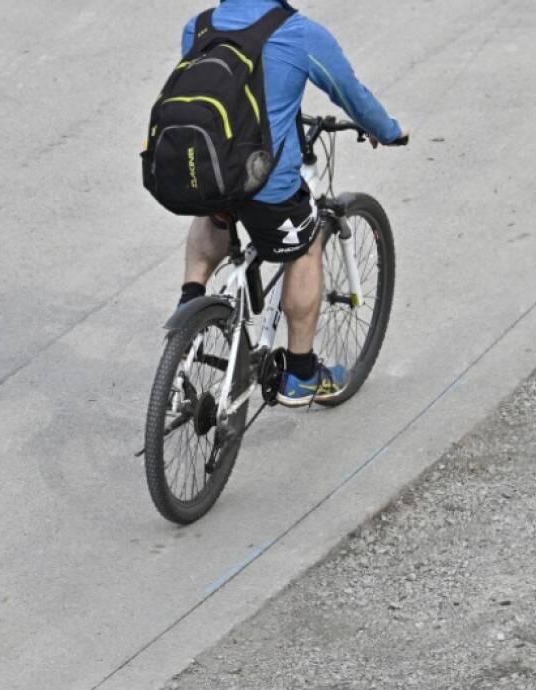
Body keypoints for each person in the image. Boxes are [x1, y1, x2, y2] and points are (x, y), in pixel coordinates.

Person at [175, 0, 408, 406]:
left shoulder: (199, 27)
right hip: (265, 183)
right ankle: (300, 373)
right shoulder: (298, 33)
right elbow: (351, 94)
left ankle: (189, 303)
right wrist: (387, 131)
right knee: (306, 243)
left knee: (216, 214)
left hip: (206, 172)